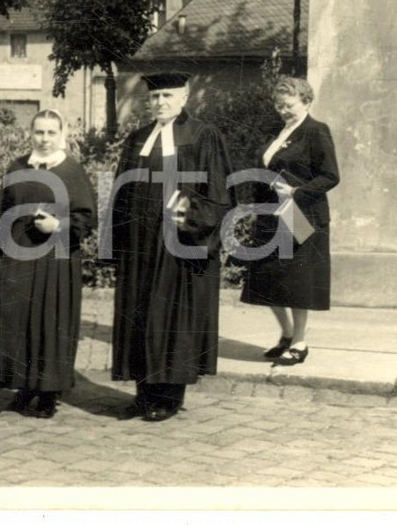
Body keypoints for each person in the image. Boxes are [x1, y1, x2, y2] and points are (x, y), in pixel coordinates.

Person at [110, 71, 234, 422]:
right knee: (140, 314)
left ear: (184, 97)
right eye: (155, 97)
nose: (160, 103)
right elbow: (122, 191)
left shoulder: (202, 135)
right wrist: (117, 241)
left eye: (168, 96)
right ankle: (143, 393)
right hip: (140, 245)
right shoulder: (138, 139)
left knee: (172, 317)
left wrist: (193, 215)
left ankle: (169, 396)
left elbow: (220, 191)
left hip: (179, 244)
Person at [0, 110, 97, 419]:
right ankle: (23, 387)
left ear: (62, 134)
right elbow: (2, 212)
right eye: (38, 133)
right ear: (30, 134)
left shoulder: (71, 171)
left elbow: (86, 217)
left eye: (50, 133)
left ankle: (47, 393)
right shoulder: (17, 167)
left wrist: (58, 225)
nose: (44, 139)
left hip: (56, 259)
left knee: (50, 321)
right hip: (18, 257)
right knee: (18, 321)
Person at [239, 76, 340, 365]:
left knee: (297, 279)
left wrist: (297, 191)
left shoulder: (316, 131)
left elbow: (331, 176)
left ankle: (300, 342)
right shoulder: (277, 131)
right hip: (272, 214)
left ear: (307, 102)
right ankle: (285, 335)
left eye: (289, 105)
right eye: (279, 105)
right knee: (265, 275)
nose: (283, 110)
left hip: (300, 215)